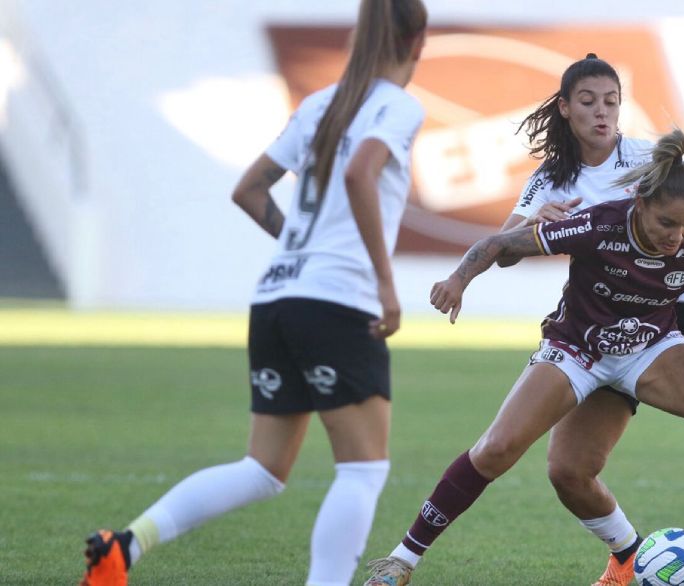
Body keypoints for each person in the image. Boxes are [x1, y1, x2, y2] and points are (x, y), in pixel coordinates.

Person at [364, 129, 684, 586]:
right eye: (666, 223)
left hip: (650, 348)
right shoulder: (599, 223)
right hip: (577, 350)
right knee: (516, 455)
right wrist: (457, 280)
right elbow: (498, 244)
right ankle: (402, 560)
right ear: (640, 205)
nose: (677, 236)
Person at [77, 2, 428, 585]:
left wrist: (297, 245)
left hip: (276, 297)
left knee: (263, 469)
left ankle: (126, 546)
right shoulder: (397, 105)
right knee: (364, 469)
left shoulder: (318, 104)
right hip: (336, 302)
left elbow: (250, 189)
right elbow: (359, 173)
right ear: (418, 41)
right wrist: (387, 285)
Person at [500, 53, 684, 586]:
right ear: (565, 109)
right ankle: (624, 559)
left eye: (611, 101)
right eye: (588, 102)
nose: (601, 112)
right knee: (571, 466)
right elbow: (504, 246)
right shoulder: (550, 178)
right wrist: (532, 224)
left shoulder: (651, 160)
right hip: (608, 325)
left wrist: (666, 275)